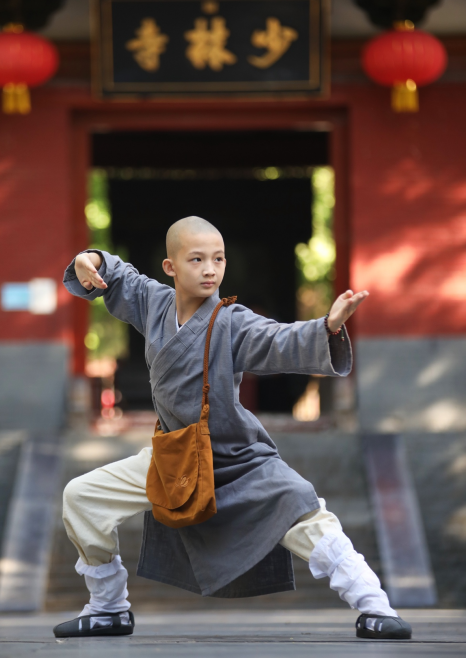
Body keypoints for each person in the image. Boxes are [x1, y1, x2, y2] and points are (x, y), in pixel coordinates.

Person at [54, 216, 411, 641]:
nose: (210, 269)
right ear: (170, 267)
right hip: (174, 457)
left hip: (236, 457)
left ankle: (375, 605)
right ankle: (108, 607)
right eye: (197, 259)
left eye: (218, 259)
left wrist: (327, 327)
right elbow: (118, 275)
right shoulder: (153, 303)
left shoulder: (233, 321)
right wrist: (88, 258)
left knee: (303, 509)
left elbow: (280, 340)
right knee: (81, 497)